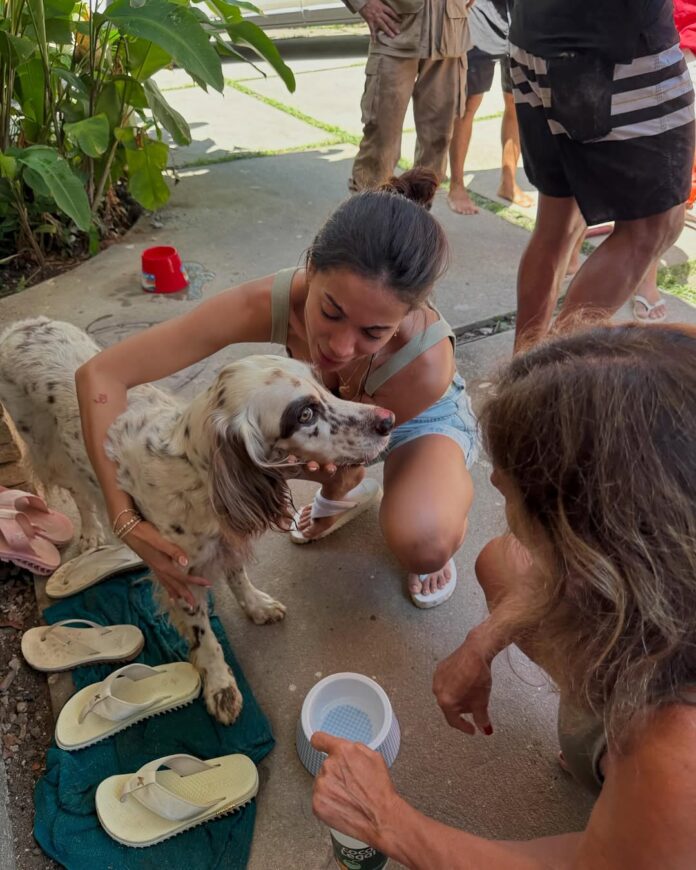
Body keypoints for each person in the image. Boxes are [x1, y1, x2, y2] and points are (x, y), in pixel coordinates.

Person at [312, 322, 696, 867]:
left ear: (592, 550)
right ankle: (622, 784)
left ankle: (637, 803)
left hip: (667, 780)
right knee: (503, 563)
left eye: (509, 484)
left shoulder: (677, 746)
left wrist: (388, 820)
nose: (493, 485)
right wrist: (482, 641)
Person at [75, 170, 478, 609]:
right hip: (328, 412)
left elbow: (359, 443)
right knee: (253, 460)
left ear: (407, 316)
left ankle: (428, 502)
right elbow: (100, 376)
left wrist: (328, 478)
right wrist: (126, 521)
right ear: (311, 268)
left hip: (412, 417)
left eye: (374, 331)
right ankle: (352, 492)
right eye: (330, 311)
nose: (340, 347)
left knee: (423, 538)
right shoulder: (266, 301)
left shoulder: (426, 363)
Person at [508, 0, 695, 349]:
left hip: (534, 30)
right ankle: (546, 378)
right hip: (617, 45)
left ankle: (521, 371)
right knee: (653, 226)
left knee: (557, 223)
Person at [343, 0, 472, 191]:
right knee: (381, 143)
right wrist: (364, 4)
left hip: (450, 33)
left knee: (437, 141)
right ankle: (369, 215)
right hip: (395, 32)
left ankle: (418, 214)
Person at [447, 0, 533, 215]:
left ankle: (508, 182)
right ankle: (456, 186)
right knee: (469, 105)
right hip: (479, 19)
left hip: (519, 19)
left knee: (516, 103)